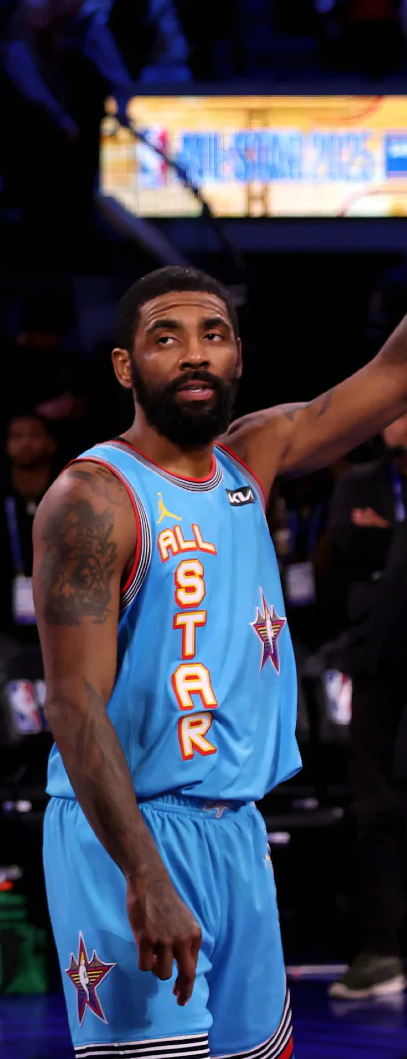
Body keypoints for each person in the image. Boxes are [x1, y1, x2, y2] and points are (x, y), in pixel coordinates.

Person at [34, 266, 407, 1057]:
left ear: (238, 354)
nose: (195, 354)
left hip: (235, 827)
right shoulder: (94, 498)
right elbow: (71, 703)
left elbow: (395, 371)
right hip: (127, 833)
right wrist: (144, 873)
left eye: (214, 335)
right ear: (125, 366)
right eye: (166, 338)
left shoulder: (251, 458)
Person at [321, 412, 407, 1001]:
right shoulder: (358, 483)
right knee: (377, 805)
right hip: (378, 661)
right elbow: (350, 549)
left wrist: (390, 540)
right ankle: (382, 950)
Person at [0, 412, 62, 645]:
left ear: (51, 443)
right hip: (0, 629)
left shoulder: (68, 501)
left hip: (61, 625)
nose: (25, 443)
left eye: (34, 436)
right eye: (17, 436)